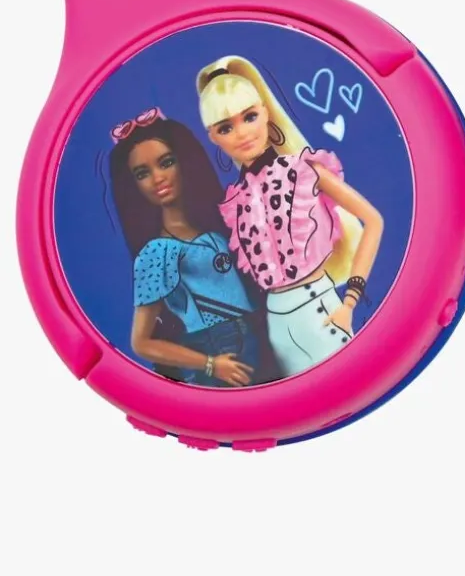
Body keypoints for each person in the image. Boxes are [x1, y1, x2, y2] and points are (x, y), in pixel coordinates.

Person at [197, 57, 384, 377]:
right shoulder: (236, 199)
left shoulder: (305, 170)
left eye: (250, 117)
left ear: (266, 113)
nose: (242, 133)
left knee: (352, 386)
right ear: (213, 137)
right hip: (277, 327)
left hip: (321, 310)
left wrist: (349, 303)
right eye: (226, 127)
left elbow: (373, 220)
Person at [107, 110, 261, 386]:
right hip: (217, 349)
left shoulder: (215, 227)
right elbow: (141, 342)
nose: (158, 178)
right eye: (142, 173)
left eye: (166, 163)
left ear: (185, 162)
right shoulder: (157, 253)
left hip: (251, 338)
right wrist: (210, 364)